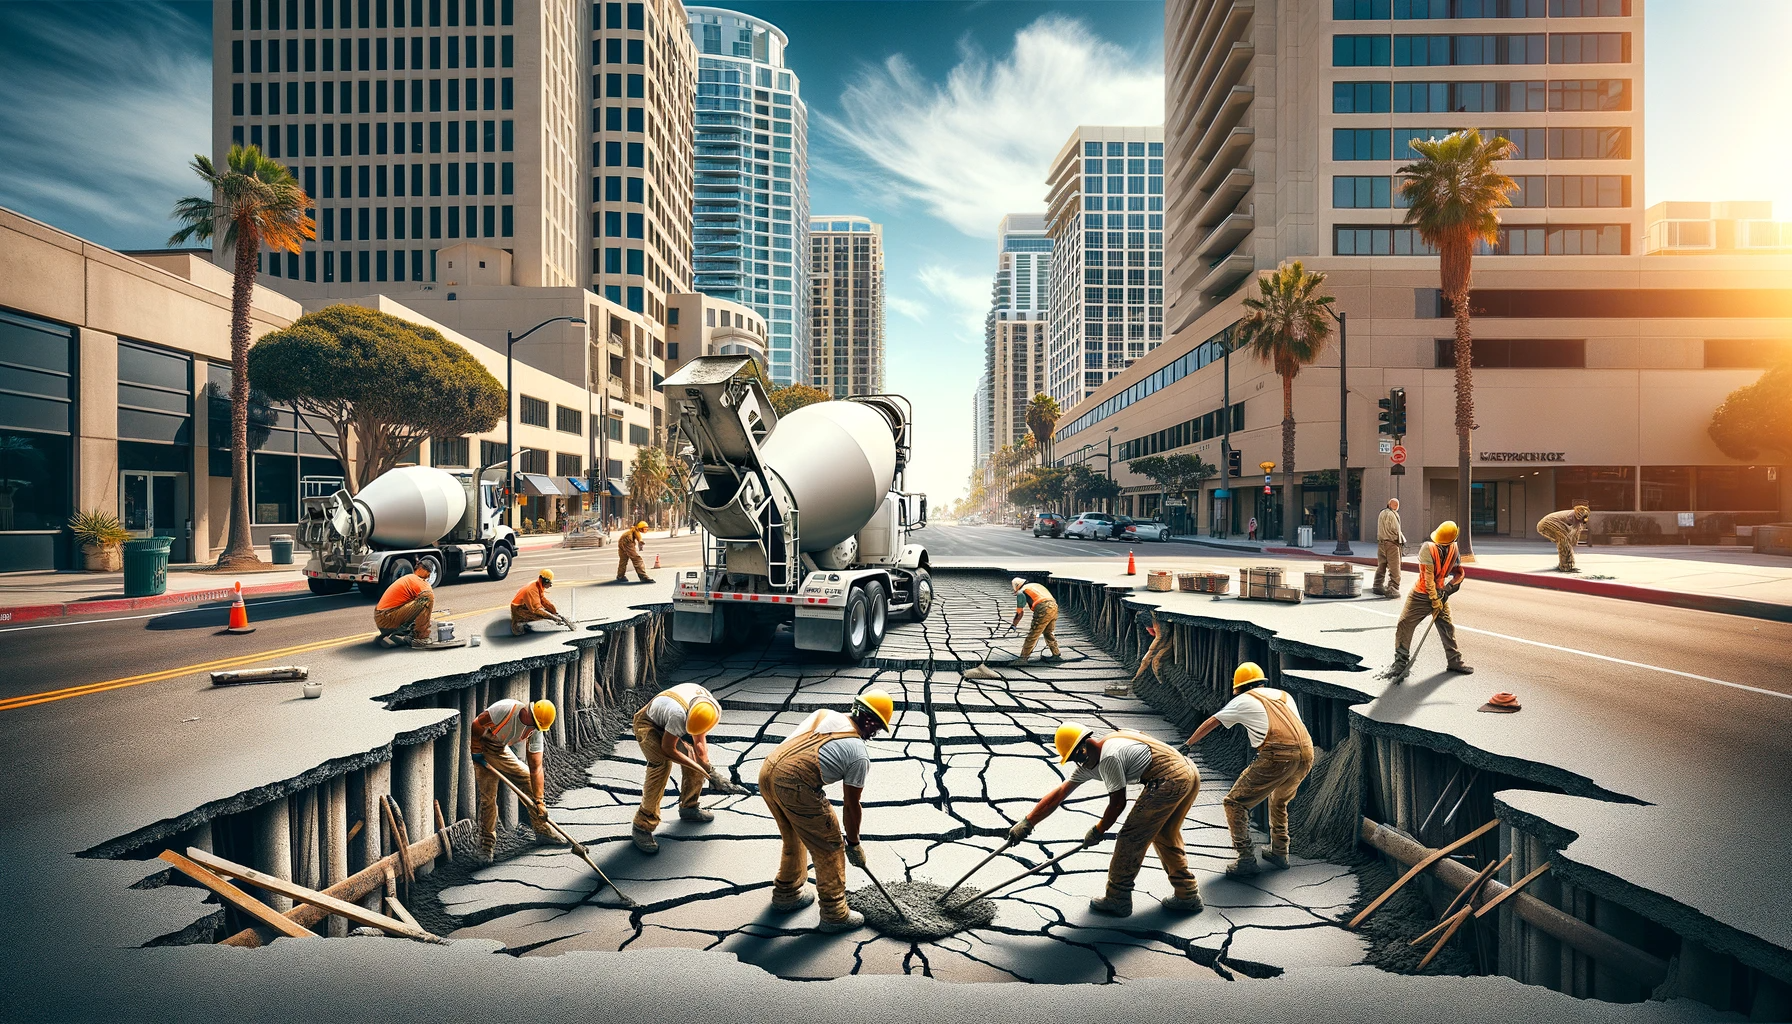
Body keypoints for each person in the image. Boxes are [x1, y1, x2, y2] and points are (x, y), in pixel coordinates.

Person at [1008, 722, 1203, 918]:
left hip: (1170, 779)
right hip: (1187, 771)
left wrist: (1098, 830)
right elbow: (1059, 794)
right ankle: (1187, 894)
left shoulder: (1109, 758)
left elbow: (1118, 803)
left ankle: (1117, 899)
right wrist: (1027, 822)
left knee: (1131, 837)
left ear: (1082, 749)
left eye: (1075, 757)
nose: (1077, 764)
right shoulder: (1104, 747)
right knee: (1164, 833)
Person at [757, 691, 895, 933]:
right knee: (829, 847)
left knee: (794, 837)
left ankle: (786, 894)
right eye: (878, 727)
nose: (876, 733)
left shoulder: (825, 714)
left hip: (767, 771)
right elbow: (852, 806)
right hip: (794, 784)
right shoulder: (858, 754)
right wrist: (853, 844)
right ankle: (835, 914)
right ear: (870, 721)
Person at [1182, 663, 1315, 876]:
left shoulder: (1243, 699)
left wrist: (1188, 744)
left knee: (1234, 802)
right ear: (1262, 682)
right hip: (1306, 754)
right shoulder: (1283, 695)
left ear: (1239, 688)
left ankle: (1245, 859)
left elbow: (1212, 721)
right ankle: (1280, 852)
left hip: (1277, 754)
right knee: (1279, 801)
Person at [630, 683, 729, 854]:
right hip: (649, 724)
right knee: (660, 765)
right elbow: (669, 749)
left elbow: (699, 744)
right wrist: (702, 770)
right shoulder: (678, 716)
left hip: (669, 717)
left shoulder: (709, 706)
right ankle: (642, 826)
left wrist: (710, 771)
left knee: (692, 756)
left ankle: (689, 807)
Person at [468, 697, 559, 863]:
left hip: (500, 749)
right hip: (483, 748)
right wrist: (476, 750)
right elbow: (477, 724)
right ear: (529, 713)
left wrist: (539, 801)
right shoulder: (505, 710)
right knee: (488, 799)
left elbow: (536, 767)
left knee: (528, 779)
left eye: (537, 728)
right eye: (535, 725)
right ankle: (485, 847)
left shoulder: (536, 730)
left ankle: (542, 830)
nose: (534, 730)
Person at [1390, 521, 1473, 679]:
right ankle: (1400, 664)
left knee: (1447, 627)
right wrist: (1434, 598)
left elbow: (1459, 573)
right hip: (1420, 596)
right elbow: (1428, 578)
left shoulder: (1454, 549)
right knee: (1404, 624)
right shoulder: (1428, 548)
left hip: (1440, 593)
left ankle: (1454, 662)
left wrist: (1448, 590)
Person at [374, 564, 435, 647]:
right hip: (387, 618)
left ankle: (402, 633)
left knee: (420, 603)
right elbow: (428, 597)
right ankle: (420, 638)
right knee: (427, 598)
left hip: (382, 619)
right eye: (428, 574)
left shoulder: (408, 579)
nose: (428, 577)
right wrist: (424, 627)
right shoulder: (416, 580)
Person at [1009, 577, 1062, 662]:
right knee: (1048, 632)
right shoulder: (1036, 585)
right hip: (1054, 606)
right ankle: (1056, 654)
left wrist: (1014, 625)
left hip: (1043, 608)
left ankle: (1023, 659)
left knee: (1033, 634)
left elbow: (1019, 613)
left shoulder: (1021, 591)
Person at [510, 568, 574, 635]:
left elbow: (542, 600)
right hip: (518, 608)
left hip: (525, 604)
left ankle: (522, 621)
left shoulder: (538, 584)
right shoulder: (532, 590)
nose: (551, 585)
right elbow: (537, 609)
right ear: (545, 581)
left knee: (546, 612)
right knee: (540, 615)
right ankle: (518, 623)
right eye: (550, 583)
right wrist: (553, 617)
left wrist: (554, 612)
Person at [1537, 505, 1591, 573]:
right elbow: (1573, 532)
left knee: (1565, 543)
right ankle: (1565, 566)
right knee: (1564, 542)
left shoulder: (1576, 518)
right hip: (1546, 524)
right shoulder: (1571, 517)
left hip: (1552, 524)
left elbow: (1574, 533)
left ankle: (1567, 565)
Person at [1373, 498, 1407, 597]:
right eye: (1396, 505)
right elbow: (1396, 529)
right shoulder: (1393, 514)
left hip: (1381, 542)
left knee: (1382, 565)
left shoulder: (1381, 513)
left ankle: (1377, 585)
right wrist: (1400, 540)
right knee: (1395, 567)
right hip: (1392, 543)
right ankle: (1393, 588)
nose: (1397, 507)